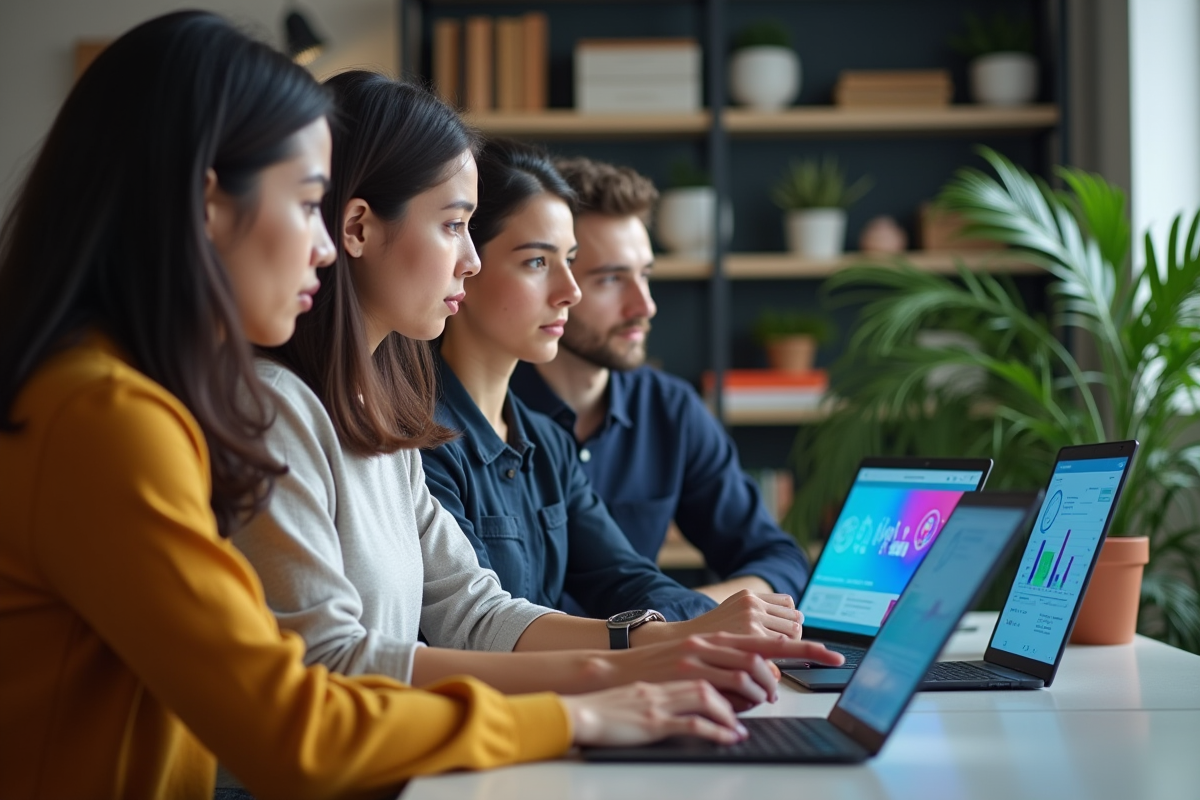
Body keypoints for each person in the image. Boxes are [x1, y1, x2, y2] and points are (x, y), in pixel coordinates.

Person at [0, 16, 776, 800]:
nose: (327, 245)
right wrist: (585, 708)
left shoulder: (127, 399)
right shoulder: (106, 417)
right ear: (209, 203)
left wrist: (633, 656)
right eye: (308, 205)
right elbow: (294, 719)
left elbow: (455, 611)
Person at [226, 72, 839, 725]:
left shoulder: (382, 409)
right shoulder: (279, 407)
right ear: (357, 229)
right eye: (453, 226)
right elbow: (331, 665)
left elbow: (473, 610)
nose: (469, 260)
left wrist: (659, 640)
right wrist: (621, 676)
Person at [423, 138, 809, 640]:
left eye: (570, 260)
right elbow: (479, 627)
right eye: (538, 262)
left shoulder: (546, 442)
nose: (571, 291)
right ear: (465, 266)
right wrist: (665, 633)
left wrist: (704, 621)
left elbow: (627, 579)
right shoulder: (418, 435)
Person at [511, 157, 811, 604]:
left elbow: (778, 560)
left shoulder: (671, 410)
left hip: (653, 661)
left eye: (645, 275)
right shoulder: (489, 411)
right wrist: (677, 622)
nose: (644, 305)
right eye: (611, 279)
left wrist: (682, 619)